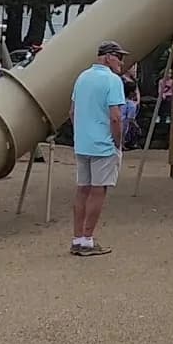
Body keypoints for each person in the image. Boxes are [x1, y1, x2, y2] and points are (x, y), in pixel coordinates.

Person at [69, 42, 126, 257]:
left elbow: (72, 112)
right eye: (119, 57)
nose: (121, 62)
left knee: (82, 189)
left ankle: (77, 237)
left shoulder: (81, 77)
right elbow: (115, 116)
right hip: (103, 144)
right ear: (108, 57)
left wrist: (81, 133)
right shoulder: (113, 81)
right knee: (98, 190)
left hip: (82, 142)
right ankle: (88, 239)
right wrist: (117, 141)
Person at [120, 80, 141, 150]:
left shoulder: (119, 101)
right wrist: (137, 127)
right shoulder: (131, 104)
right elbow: (131, 118)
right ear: (131, 93)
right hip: (123, 122)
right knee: (122, 133)